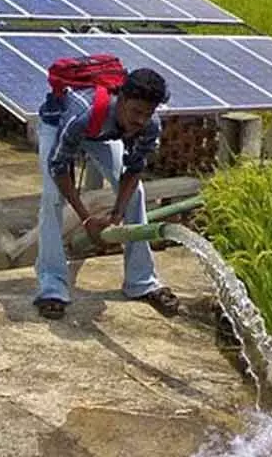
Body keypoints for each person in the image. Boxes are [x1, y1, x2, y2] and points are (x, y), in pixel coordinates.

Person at [34, 66, 180, 320]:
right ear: (121, 99)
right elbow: (59, 169)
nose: (140, 121)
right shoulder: (82, 113)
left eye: (147, 114)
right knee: (52, 198)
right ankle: (52, 286)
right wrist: (87, 219)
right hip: (57, 124)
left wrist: (117, 214)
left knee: (137, 194)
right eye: (136, 112)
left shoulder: (148, 124)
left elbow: (133, 170)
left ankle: (141, 281)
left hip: (102, 131)